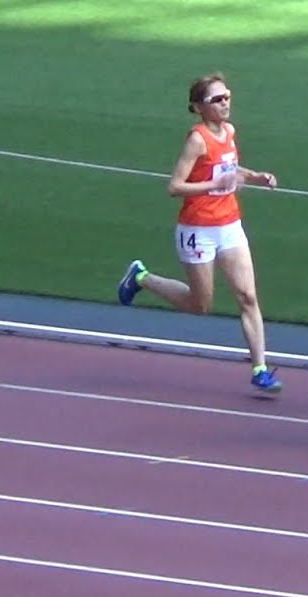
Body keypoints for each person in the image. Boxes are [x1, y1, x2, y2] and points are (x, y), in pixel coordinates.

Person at [116, 72, 282, 394]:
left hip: (229, 224)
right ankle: (141, 277)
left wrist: (256, 176)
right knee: (200, 304)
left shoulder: (229, 132)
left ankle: (260, 368)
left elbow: (228, 169)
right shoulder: (197, 140)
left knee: (248, 296)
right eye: (216, 100)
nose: (225, 103)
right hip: (197, 229)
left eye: (227, 96)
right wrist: (213, 186)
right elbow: (175, 186)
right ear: (198, 107)